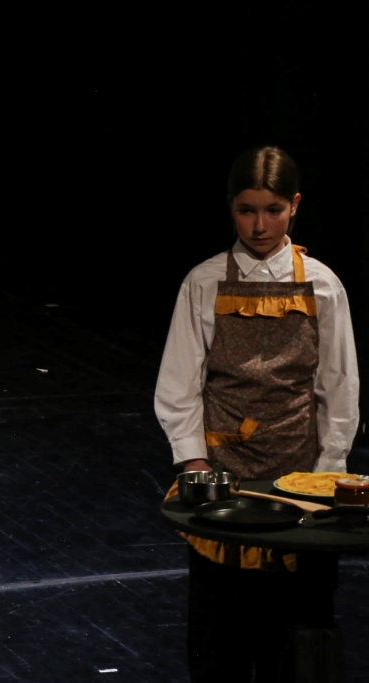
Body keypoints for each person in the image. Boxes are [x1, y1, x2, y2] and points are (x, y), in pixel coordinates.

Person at [154, 146, 359, 681]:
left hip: (299, 470)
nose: (260, 225)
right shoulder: (204, 282)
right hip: (226, 473)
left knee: (292, 631)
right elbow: (179, 383)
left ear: (295, 206)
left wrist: (328, 472)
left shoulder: (322, 284)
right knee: (219, 626)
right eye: (247, 211)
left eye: (273, 210)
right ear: (231, 208)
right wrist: (193, 461)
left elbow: (338, 385)